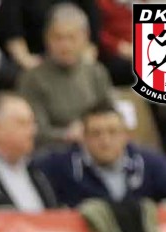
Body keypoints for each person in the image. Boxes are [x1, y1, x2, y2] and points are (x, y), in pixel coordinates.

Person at [36, 103, 166, 206]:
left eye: (112, 132)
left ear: (126, 136)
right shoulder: (63, 166)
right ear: (84, 138)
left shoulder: (147, 163)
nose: (105, 141)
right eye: (96, 133)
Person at [15, 4, 112, 149]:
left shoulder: (97, 72)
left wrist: (93, 130)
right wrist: (66, 135)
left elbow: (112, 115)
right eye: (58, 38)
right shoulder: (31, 79)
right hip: (53, 151)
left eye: (72, 38)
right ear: (46, 39)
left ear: (85, 38)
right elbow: (34, 131)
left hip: (96, 147)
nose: (65, 45)